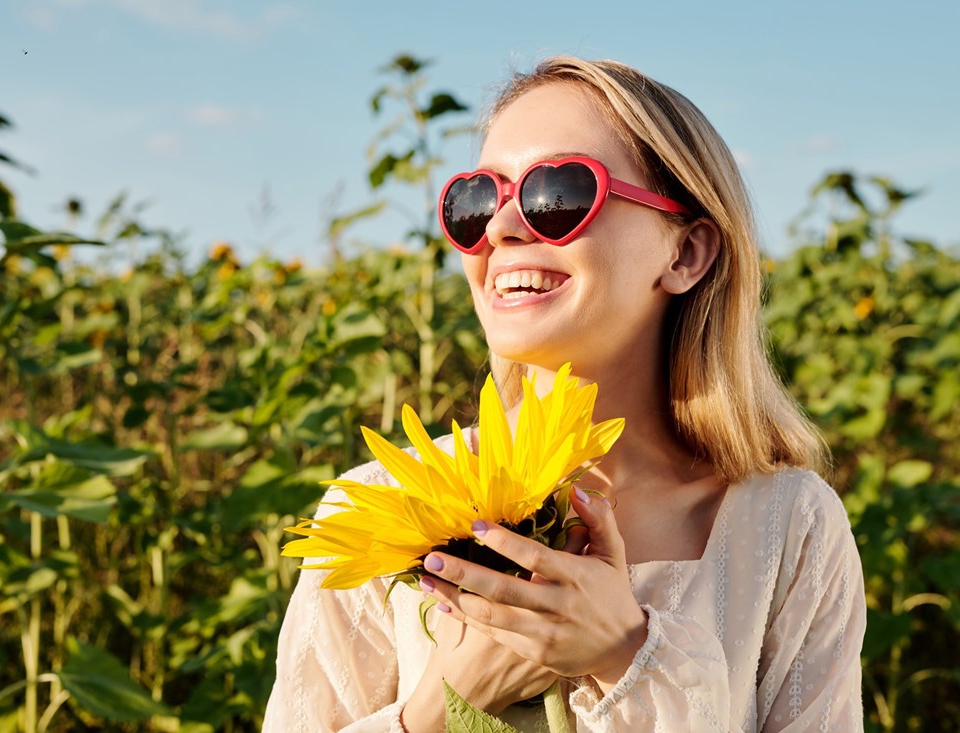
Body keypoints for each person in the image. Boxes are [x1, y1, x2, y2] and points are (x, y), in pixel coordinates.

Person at [263, 57, 866, 732]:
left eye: (559, 194)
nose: (500, 229)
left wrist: (628, 655)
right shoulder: (376, 508)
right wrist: (447, 699)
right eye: (476, 201)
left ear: (686, 253)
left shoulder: (788, 529)